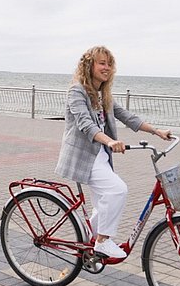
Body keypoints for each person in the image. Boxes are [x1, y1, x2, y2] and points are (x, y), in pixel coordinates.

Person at [55, 46, 171, 259]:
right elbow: (86, 125)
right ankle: (102, 242)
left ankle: (89, 243)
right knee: (117, 190)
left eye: (109, 64)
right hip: (84, 157)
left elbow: (127, 116)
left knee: (103, 207)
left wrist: (157, 132)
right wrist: (110, 141)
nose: (106, 68)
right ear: (89, 65)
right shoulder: (77, 91)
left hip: (100, 156)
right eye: (102, 63)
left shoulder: (103, 94)